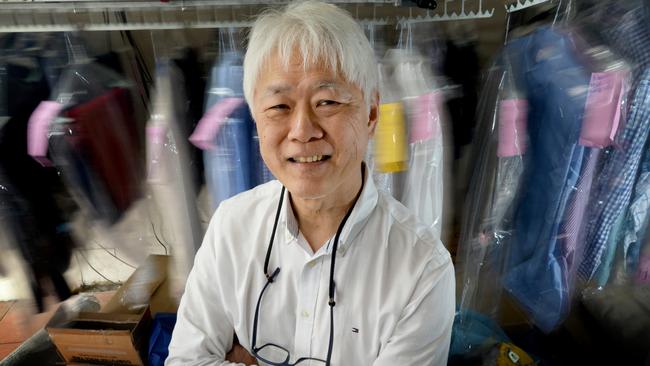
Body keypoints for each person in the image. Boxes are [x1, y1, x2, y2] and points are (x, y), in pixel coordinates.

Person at [166, 1, 455, 365]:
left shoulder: (422, 269)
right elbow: (185, 360)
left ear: (371, 114)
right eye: (279, 107)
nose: (302, 131)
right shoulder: (232, 226)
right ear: (256, 119)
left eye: (327, 101)